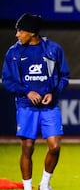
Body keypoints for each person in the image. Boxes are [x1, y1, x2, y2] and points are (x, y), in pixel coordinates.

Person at [1, 13, 70, 190]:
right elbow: (7, 80)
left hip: (49, 107)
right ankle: (27, 186)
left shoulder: (53, 49)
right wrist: (26, 92)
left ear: (32, 33)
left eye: (20, 31)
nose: (17, 34)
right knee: (28, 147)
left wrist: (54, 93)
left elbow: (64, 76)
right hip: (26, 107)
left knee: (55, 147)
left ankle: (44, 184)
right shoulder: (14, 52)